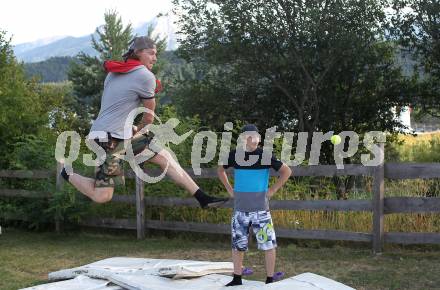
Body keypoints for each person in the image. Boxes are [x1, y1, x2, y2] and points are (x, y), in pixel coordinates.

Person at [60, 36, 228, 209]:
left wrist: (132, 129)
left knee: (164, 157)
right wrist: (138, 129)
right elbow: (148, 117)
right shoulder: (145, 76)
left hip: (111, 135)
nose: (155, 58)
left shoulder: (113, 73)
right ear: (138, 53)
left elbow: (118, 106)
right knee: (102, 195)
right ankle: (67, 173)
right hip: (110, 140)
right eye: (151, 53)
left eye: (156, 54)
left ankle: (202, 198)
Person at [217, 124, 292, 286]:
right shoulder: (234, 155)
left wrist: (272, 190)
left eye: (256, 136)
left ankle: (270, 279)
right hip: (240, 211)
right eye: (250, 136)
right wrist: (230, 189)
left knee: (268, 245)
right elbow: (220, 170)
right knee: (238, 245)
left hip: (260, 211)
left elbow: (286, 171)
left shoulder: (265, 155)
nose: (254, 139)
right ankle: (237, 278)